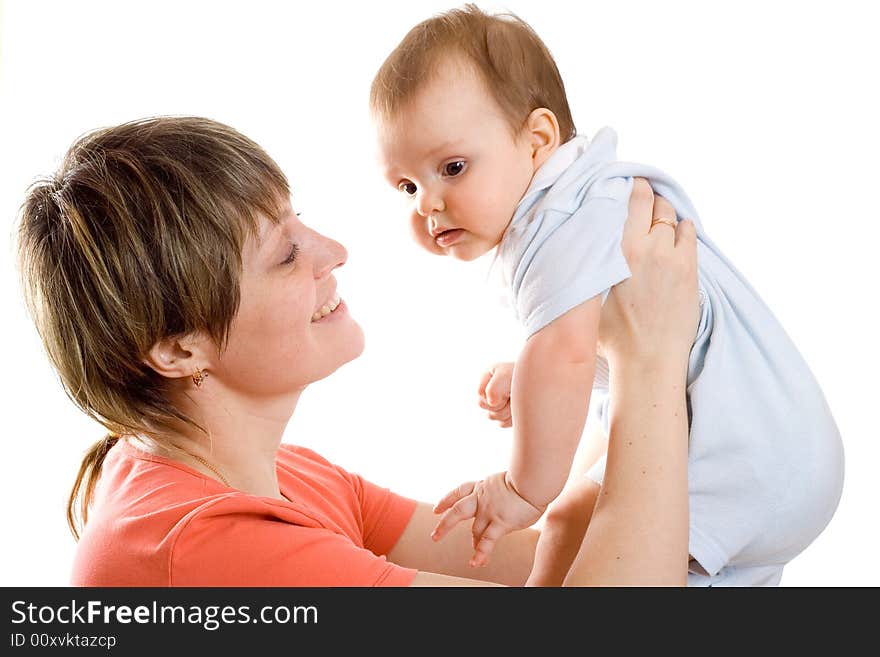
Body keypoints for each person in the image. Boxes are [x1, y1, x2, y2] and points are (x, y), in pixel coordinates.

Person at [17, 116, 695, 587]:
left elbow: (542, 565)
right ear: (175, 349)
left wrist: (581, 379)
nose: (332, 253)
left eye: (299, 223)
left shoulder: (281, 476)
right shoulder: (211, 547)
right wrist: (652, 364)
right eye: (285, 255)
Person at [370, 4, 844, 586]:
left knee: (636, 562)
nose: (426, 203)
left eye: (453, 166)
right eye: (408, 185)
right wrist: (532, 373)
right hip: (772, 440)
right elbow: (599, 340)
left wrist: (520, 489)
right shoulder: (579, 201)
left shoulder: (560, 221)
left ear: (538, 138)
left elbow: (566, 352)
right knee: (570, 523)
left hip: (749, 454)